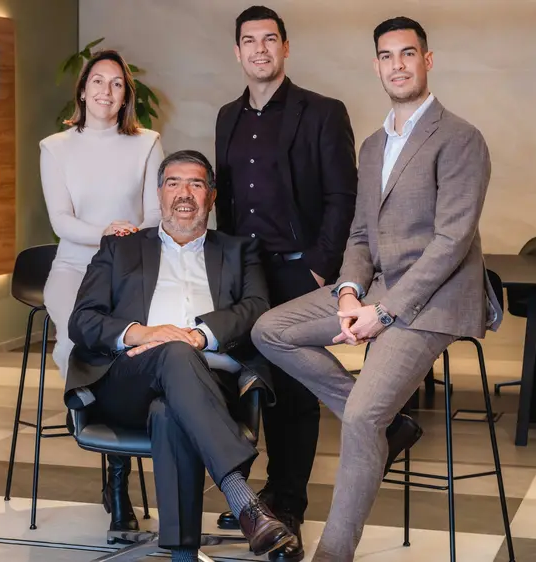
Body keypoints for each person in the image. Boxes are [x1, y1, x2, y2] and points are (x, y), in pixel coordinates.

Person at [250, 16, 503, 561]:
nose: (398, 65)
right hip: (377, 287)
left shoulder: (460, 138)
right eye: (387, 56)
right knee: (270, 329)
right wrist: (348, 292)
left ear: (427, 60)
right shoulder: (372, 145)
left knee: (364, 416)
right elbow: (361, 234)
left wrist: (384, 312)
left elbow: (452, 241)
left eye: (407, 54)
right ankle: (387, 423)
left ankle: (333, 553)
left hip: (435, 300)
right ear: (376, 66)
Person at [64, 150, 301, 562]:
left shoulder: (239, 250)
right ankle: (243, 499)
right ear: (159, 194)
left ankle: (183, 555)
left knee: (169, 410)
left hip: (212, 386)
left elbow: (256, 307)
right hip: (129, 380)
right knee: (172, 355)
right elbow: (82, 320)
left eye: (196, 183)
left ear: (211, 196)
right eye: (173, 183)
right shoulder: (121, 249)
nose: (184, 193)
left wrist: (198, 336)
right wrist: (144, 333)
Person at [213, 7, 357, 559]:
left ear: (285, 47)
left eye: (269, 39)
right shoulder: (227, 116)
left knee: (295, 389)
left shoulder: (322, 111)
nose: (260, 49)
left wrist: (320, 264)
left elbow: (343, 195)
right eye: (249, 41)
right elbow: (226, 199)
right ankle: (262, 496)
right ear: (237, 52)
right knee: (253, 379)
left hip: (299, 268)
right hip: (245, 270)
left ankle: (288, 500)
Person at [38, 50, 162, 537]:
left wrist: (124, 239)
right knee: (81, 340)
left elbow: (155, 216)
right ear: (83, 88)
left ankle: (117, 482)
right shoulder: (55, 147)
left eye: (116, 83)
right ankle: (93, 427)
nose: (105, 91)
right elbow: (61, 221)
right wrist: (106, 233)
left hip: (128, 268)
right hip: (74, 265)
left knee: (125, 350)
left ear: (126, 94)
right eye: (97, 81)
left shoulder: (147, 142)